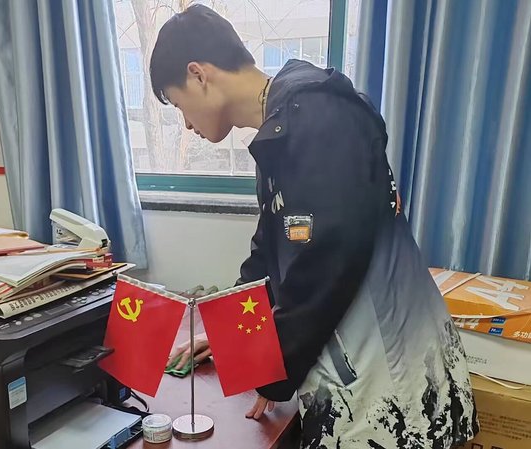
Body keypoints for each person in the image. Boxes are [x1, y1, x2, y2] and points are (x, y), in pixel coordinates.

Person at [151, 5, 478, 448]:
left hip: (395, 386)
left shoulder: (320, 117)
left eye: (178, 105)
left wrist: (273, 369)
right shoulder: (281, 130)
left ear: (198, 75)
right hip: (357, 374)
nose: (186, 123)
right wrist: (229, 335)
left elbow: (326, 260)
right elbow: (268, 252)